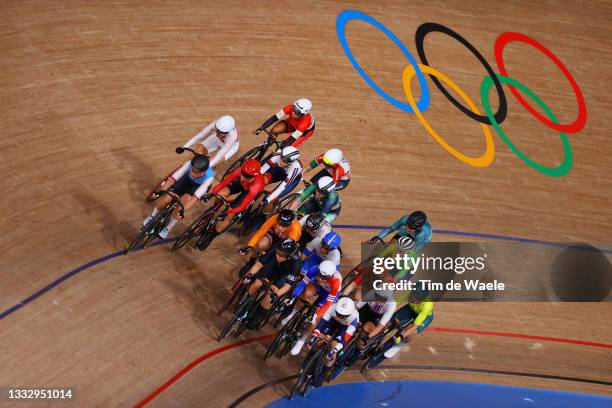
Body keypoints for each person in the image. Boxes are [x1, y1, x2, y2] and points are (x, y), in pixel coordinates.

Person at [142, 155, 214, 238]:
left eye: (196, 173)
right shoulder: (189, 164)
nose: (193, 174)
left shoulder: (209, 178)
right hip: (186, 180)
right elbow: (172, 179)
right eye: (192, 170)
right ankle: (152, 216)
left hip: (196, 187)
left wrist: (182, 210)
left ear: (203, 172)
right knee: (166, 199)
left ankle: (167, 228)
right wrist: (161, 191)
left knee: (180, 207)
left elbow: (193, 199)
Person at [294, 297, 359, 386]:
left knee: (333, 346)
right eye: (338, 313)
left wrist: (335, 350)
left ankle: (322, 373)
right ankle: (306, 366)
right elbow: (321, 325)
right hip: (332, 322)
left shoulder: (354, 318)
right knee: (319, 340)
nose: (340, 316)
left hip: (344, 328)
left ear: (349, 314)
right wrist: (314, 337)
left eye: (343, 316)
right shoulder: (333, 307)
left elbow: (345, 340)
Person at [367, 282, 433, 367]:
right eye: (413, 295)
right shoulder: (409, 291)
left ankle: (397, 347)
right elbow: (396, 303)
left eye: (417, 298)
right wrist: (387, 315)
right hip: (410, 309)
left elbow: (415, 326)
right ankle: (376, 340)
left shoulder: (427, 305)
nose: (414, 298)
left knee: (409, 333)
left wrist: (402, 336)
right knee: (389, 322)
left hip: (424, 316)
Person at [242, 239, 303, 330]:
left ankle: (256, 317)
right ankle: (245, 304)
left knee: (271, 294)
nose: (278, 256)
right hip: (273, 267)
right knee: (257, 282)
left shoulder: (296, 263)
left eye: (282, 255)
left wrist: (276, 294)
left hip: (284, 274)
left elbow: (287, 286)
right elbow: (258, 265)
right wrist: (250, 275)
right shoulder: (274, 251)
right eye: (278, 252)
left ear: (290, 256)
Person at [202, 160, 265, 246]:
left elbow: (242, 206)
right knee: (220, 193)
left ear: (254, 177)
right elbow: (223, 184)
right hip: (242, 185)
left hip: (249, 192)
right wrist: (211, 194)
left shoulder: (256, 185)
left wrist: (228, 212)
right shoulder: (240, 172)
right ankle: (213, 211)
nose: (243, 177)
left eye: (247, 176)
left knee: (229, 215)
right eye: (243, 173)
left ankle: (211, 236)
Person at [282, 260, 342, 334]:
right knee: (306, 292)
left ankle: (302, 339)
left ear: (331, 276)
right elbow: (302, 284)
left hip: (329, 293)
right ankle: (292, 314)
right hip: (317, 285)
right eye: (319, 275)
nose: (320, 279)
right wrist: (293, 297)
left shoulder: (336, 282)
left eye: (324, 278)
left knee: (316, 317)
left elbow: (328, 304)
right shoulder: (314, 269)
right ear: (318, 270)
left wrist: (316, 315)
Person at [237, 209, 302, 276]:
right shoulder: (274, 218)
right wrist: (249, 246)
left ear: (291, 224)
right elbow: (260, 233)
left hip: (285, 241)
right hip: (274, 234)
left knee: (276, 255)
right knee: (261, 244)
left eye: (284, 225)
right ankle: (252, 260)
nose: (280, 227)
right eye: (279, 223)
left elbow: (286, 250)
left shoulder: (295, 229)